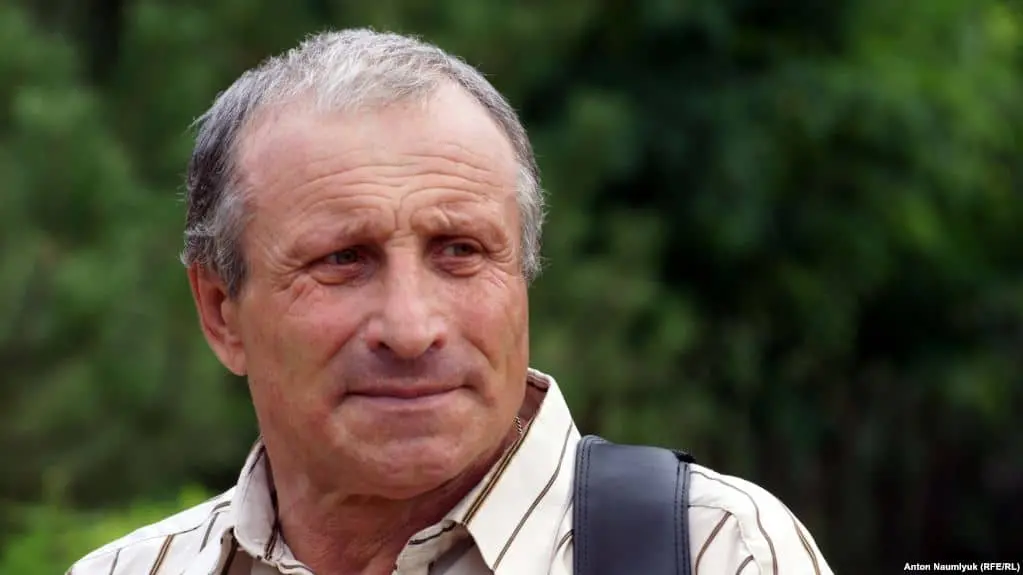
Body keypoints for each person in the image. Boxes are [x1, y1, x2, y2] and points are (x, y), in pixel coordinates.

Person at [67, 29, 833, 575]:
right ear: (220, 309)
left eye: (459, 251)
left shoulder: (717, 551)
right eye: (343, 259)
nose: (410, 327)